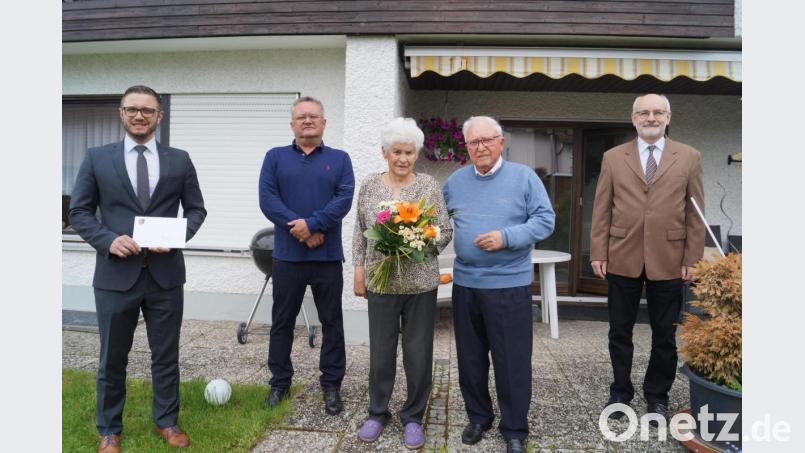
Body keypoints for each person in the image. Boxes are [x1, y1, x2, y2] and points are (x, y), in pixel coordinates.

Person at [69, 85, 207, 452]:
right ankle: (109, 429)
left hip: (165, 276)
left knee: (166, 354)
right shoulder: (97, 158)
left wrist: (178, 236)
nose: (140, 115)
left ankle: (167, 421)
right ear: (121, 113)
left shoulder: (179, 159)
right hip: (116, 275)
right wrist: (106, 240)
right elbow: (79, 211)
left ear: (159, 116)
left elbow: (196, 210)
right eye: (132, 109)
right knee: (112, 356)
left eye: (148, 110)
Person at [590, 93, 705, 425]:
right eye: (644, 113)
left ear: (668, 117)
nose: (651, 117)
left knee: (665, 335)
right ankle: (620, 392)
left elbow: (695, 212)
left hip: (670, 257)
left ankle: (657, 396)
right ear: (633, 118)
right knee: (619, 331)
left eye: (657, 112)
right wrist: (598, 250)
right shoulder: (613, 157)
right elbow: (602, 207)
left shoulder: (689, 156)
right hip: (621, 255)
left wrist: (692, 258)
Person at [443, 116, 555, 453]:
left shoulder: (524, 178)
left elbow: (545, 220)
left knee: (511, 360)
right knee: (471, 359)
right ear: (466, 147)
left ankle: (515, 428)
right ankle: (479, 416)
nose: (481, 147)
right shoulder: (455, 181)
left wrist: (506, 237)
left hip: (509, 285)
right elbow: (438, 223)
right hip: (465, 284)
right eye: (473, 143)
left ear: (501, 141)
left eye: (487, 140)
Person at [352, 118, 452, 449]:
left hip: (420, 284)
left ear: (416, 153)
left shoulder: (428, 187)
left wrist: (419, 241)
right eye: (397, 151)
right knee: (381, 353)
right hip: (381, 284)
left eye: (409, 152)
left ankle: (412, 417)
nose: (403, 158)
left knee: (418, 354)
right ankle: (377, 413)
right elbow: (359, 229)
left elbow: (445, 230)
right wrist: (358, 270)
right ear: (384, 152)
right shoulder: (369, 185)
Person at [259, 96, 355, 415]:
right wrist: (300, 230)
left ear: (324, 122)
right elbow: (268, 199)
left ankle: (331, 385)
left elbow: (343, 200)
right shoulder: (274, 157)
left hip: (327, 257)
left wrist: (312, 225)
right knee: (282, 321)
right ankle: (280, 383)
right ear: (292, 124)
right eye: (301, 117)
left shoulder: (340, 160)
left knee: (332, 322)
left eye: (314, 116)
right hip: (287, 257)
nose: (308, 120)